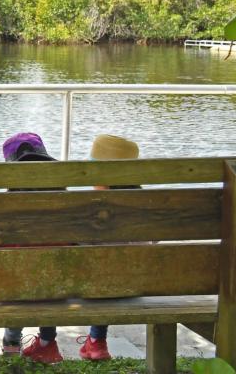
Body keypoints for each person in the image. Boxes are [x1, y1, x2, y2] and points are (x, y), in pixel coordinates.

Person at [0, 132, 68, 364]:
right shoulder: (63, 201)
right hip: (56, 288)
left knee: (13, 275)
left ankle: (11, 343)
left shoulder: (5, 205)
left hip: (15, 287)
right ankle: (47, 343)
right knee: (50, 271)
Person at [73, 133, 144, 362]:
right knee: (111, 267)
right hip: (136, 283)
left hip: (94, 285)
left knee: (99, 268)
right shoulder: (147, 203)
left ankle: (95, 340)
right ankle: (96, 341)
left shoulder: (90, 206)